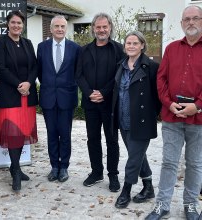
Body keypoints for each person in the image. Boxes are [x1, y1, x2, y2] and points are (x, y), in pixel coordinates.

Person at [145, 5, 202, 220]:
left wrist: (196, 106)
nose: (191, 22)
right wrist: (168, 103)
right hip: (172, 117)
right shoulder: (171, 49)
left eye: (195, 18)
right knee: (169, 162)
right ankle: (162, 205)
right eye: (187, 19)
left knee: (195, 164)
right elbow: (161, 79)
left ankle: (190, 205)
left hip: (198, 118)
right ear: (181, 23)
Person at [75, 12, 124, 192]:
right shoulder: (84, 50)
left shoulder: (119, 49)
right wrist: (89, 93)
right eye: (98, 27)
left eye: (105, 27)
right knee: (92, 139)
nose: (101, 30)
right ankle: (96, 172)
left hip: (110, 103)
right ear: (93, 29)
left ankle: (113, 175)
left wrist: (103, 92)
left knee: (112, 140)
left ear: (110, 28)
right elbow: (78, 74)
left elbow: (120, 75)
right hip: (91, 104)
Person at [111, 31, 161, 209]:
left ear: (142, 45)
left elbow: (158, 95)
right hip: (123, 120)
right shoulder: (121, 65)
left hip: (141, 120)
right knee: (137, 154)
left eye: (135, 43)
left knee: (133, 157)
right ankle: (148, 187)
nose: (131, 46)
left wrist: (151, 115)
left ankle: (126, 190)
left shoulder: (151, 67)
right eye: (128, 43)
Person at [0, 11, 38, 192]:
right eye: (13, 23)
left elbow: (35, 66)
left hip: (27, 95)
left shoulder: (27, 43)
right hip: (10, 95)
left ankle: (14, 167)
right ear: (8, 24)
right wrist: (19, 84)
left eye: (19, 23)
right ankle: (16, 171)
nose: (16, 26)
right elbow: (0, 68)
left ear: (23, 25)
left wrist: (28, 83)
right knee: (13, 133)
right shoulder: (0, 43)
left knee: (22, 132)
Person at [37, 15, 80, 182]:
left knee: (65, 134)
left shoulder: (75, 48)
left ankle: (64, 167)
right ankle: (54, 166)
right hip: (48, 97)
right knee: (52, 133)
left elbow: (77, 72)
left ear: (66, 28)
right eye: (57, 26)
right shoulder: (42, 47)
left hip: (66, 98)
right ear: (51, 28)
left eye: (63, 26)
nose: (60, 29)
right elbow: (40, 72)